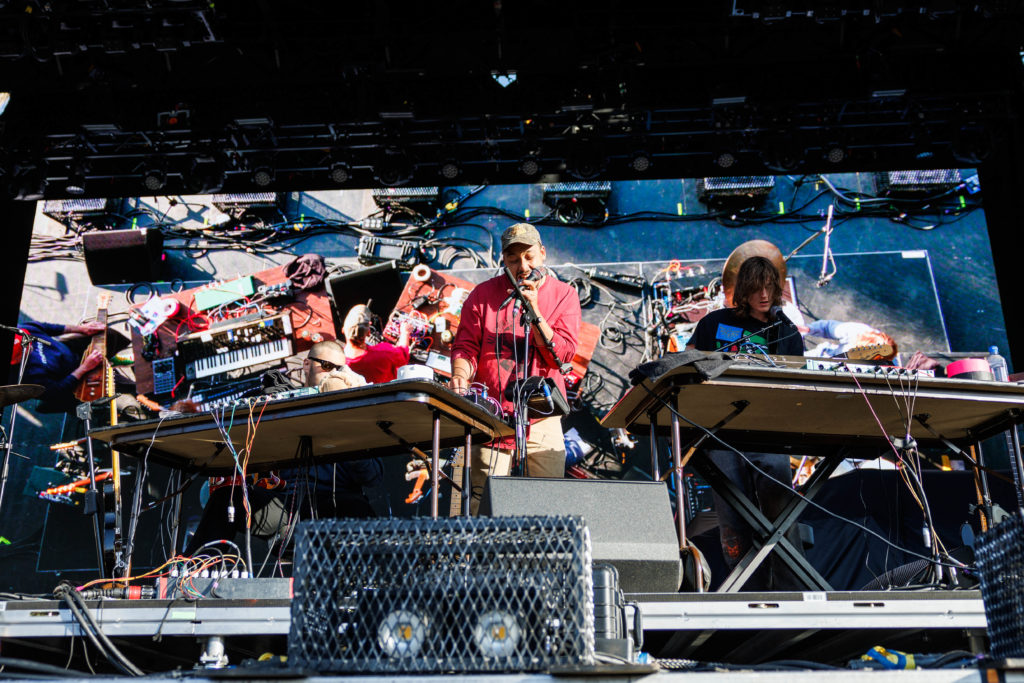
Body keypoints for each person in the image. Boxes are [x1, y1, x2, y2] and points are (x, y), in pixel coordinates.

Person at [184, 340, 380, 556]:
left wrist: (346, 428)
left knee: (359, 509)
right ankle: (194, 573)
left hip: (336, 504)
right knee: (224, 499)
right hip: (287, 507)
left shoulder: (352, 411)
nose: (331, 373)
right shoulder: (283, 403)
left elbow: (372, 477)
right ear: (306, 365)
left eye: (338, 369)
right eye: (326, 365)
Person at [688, 255, 806, 590]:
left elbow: (797, 385)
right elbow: (689, 360)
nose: (764, 295)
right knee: (731, 515)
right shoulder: (714, 323)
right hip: (720, 431)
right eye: (756, 289)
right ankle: (743, 589)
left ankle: (790, 588)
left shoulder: (787, 332)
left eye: (770, 288)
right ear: (743, 291)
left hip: (768, 431)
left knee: (779, 509)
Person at [450, 222, 581, 513]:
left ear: (543, 254)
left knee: (546, 507)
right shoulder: (482, 295)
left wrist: (534, 311)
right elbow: (466, 346)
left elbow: (564, 355)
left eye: (529, 256)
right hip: (491, 416)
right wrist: (460, 374)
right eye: (513, 258)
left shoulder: (564, 295)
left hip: (543, 416)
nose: (522, 265)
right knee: (484, 506)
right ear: (503, 260)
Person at [13, 321, 107, 413]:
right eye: (24, 348)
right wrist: (84, 368)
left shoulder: (19, 330)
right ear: (15, 360)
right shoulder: (26, 377)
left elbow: (46, 327)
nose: (30, 344)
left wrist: (82, 329)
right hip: (72, 379)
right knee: (110, 381)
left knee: (108, 334)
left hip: (67, 352)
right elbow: (57, 390)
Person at [342, 304, 414, 384]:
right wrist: (405, 332)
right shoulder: (384, 353)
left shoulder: (338, 361)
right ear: (369, 333)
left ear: (343, 330)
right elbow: (403, 355)